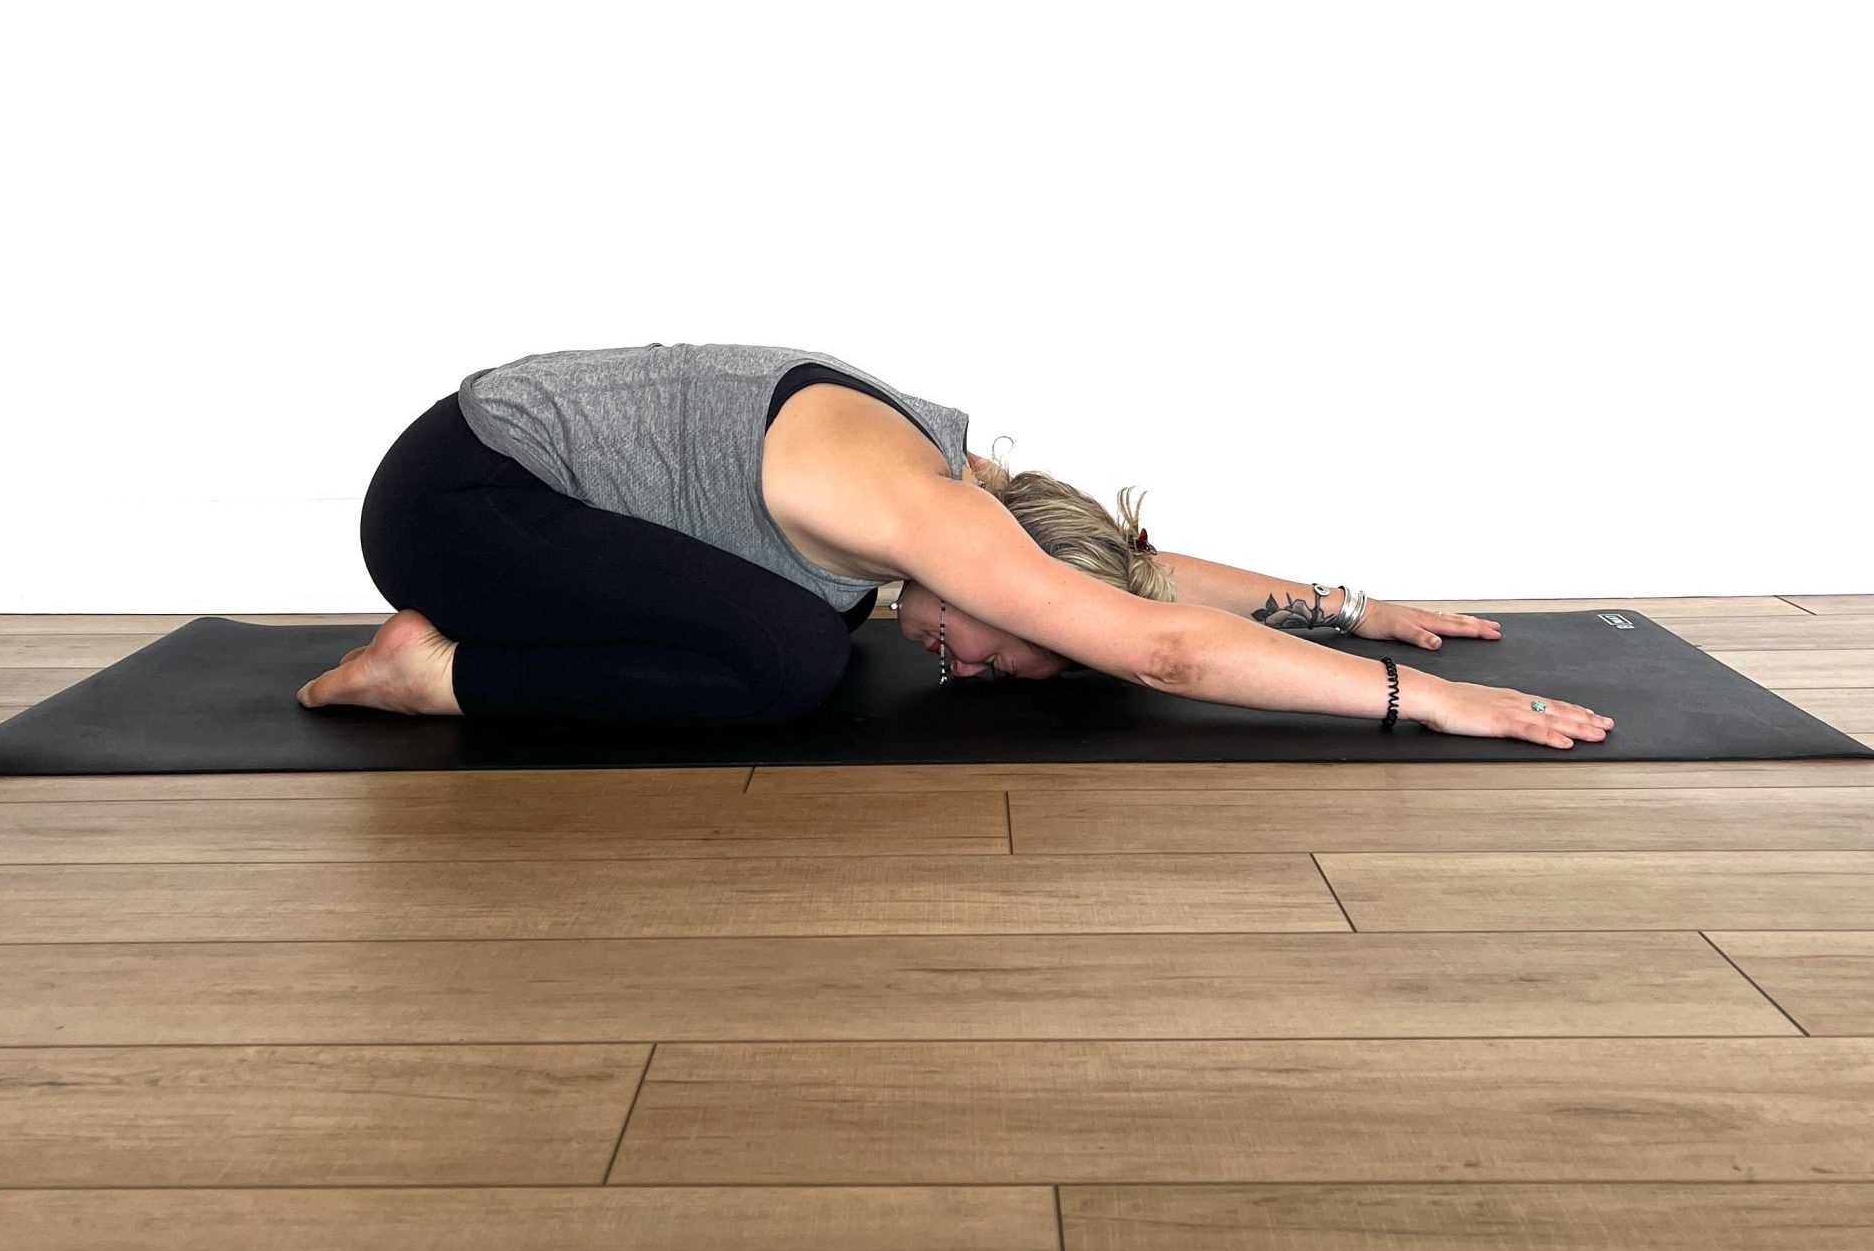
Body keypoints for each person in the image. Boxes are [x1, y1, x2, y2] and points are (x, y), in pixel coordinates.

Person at [297, 341, 1612, 749]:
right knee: (784, 661)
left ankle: (458, 657)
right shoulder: (923, 511)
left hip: (520, 498)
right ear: (1001, 577)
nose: (963, 664)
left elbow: (1131, 576)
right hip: (460, 502)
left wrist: (1343, 603)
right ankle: (433, 677)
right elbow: (1155, 644)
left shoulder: (981, 500)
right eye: (1001, 653)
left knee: (803, 632)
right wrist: (1431, 704)